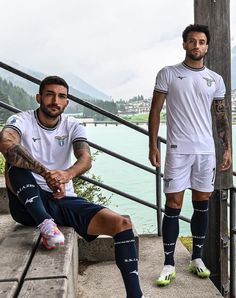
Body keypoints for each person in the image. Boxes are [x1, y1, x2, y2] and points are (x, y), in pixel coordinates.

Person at [0, 75, 145, 298]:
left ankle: (136, 295)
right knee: (14, 164)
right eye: (49, 94)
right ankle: (46, 224)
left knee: (122, 224)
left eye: (61, 96)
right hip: (27, 203)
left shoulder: (72, 125)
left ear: (67, 102)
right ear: (39, 97)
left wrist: (66, 175)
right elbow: (6, 142)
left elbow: (85, 158)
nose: (55, 100)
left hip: (61, 197)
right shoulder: (22, 120)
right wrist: (45, 173)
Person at [148, 24, 232, 286]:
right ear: (184, 44)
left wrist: (227, 147)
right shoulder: (168, 74)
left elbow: (221, 116)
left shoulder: (215, 79)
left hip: (206, 152)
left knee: (202, 203)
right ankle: (168, 263)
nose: (197, 46)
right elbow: (154, 111)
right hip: (177, 150)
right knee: (173, 204)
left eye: (202, 42)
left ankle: (197, 258)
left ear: (207, 46)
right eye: (192, 41)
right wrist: (152, 145)